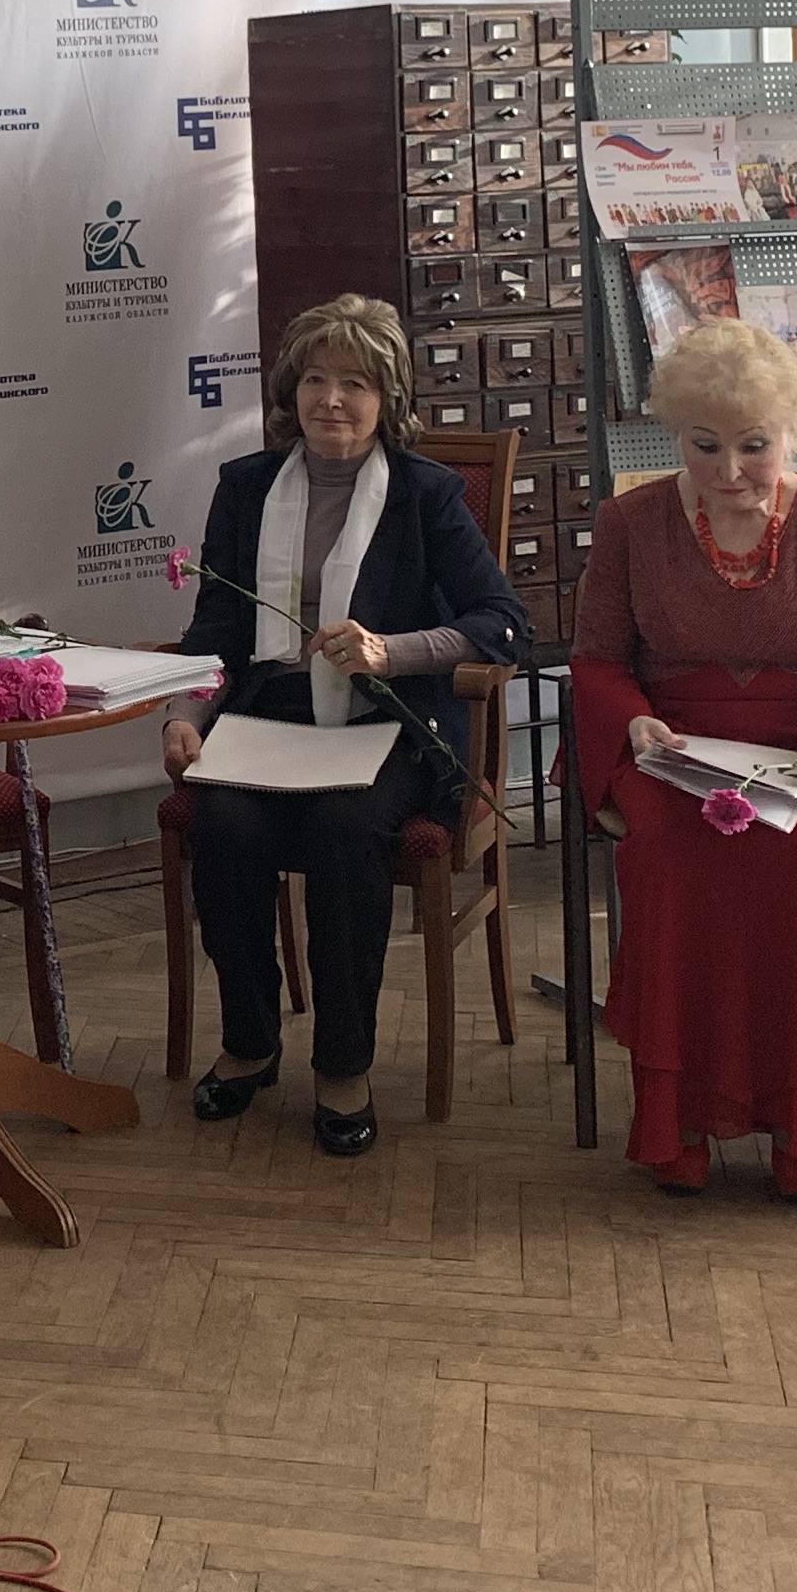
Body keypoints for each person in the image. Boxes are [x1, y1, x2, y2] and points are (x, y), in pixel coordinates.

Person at [567, 316, 797, 1202]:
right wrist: (633, 724)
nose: (729, 471)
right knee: (667, 854)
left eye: (753, 446)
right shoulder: (629, 523)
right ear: (675, 435)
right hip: (673, 751)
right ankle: (677, 1124)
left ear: (791, 436)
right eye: (705, 446)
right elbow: (597, 660)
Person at [164, 294, 529, 1156]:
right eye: (315, 380)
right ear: (291, 392)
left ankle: (343, 1063)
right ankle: (250, 1042)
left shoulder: (425, 494)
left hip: (387, 722)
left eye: (355, 383)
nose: (331, 400)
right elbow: (216, 625)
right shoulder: (245, 488)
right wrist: (185, 715)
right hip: (270, 717)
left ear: (387, 397)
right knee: (223, 822)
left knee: (344, 829)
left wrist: (389, 651)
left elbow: (503, 623)